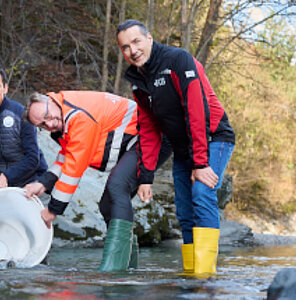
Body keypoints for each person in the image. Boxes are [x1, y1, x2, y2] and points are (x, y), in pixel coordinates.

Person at [116, 20, 236, 274]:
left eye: (136, 41)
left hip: (213, 136)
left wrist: (200, 163)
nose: (132, 50)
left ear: (149, 38)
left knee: (202, 195)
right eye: (125, 47)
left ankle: (205, 277)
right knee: (183, 209)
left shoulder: (178, 60)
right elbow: (148, 128)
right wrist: (146, 177)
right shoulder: (138, 81)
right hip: (183, 147)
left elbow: (197, 111)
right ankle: (192, 274)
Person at [23, 91, 171, 271]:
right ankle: (128, 268)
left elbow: (74, 170)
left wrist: (53, 210)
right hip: (137, 141)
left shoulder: (78, 117)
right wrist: (43, 183)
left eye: (47, 116)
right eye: (43, 125)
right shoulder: (64, 115)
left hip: (152, 136)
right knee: (107, 205)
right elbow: (67, 155)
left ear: (51, 101)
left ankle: (114, 270)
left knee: (118, 186)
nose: (51, 124)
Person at [0, 66, 48, 197]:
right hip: (4, 190)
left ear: (5, 88)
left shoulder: (21, 113)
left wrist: (6, 176)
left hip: (33, 184)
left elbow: (32, 158)